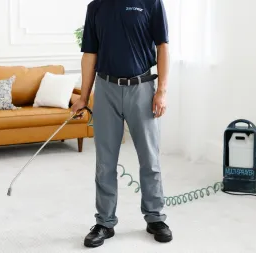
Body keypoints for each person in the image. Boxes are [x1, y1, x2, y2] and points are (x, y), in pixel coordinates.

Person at [70, 0, 171, 248]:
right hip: (106, 90)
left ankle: (155, 217)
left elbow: (163, 46)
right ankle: (104, 222)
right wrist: (83, 96)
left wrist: (162, 92)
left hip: (142, 88)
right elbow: (89, 54)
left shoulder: (151, 3)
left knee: (150, 159)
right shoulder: (96, 7)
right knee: (105, 162)